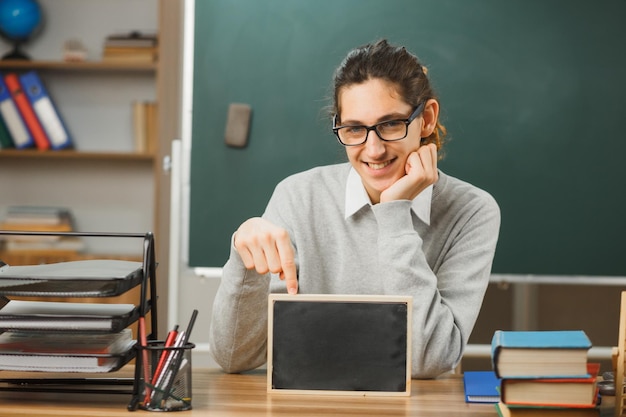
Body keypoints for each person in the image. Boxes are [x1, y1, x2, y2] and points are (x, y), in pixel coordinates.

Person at [209, 39, 500, 378]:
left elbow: (429, 360)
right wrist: (244, 261)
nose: (373, 149)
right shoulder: (298, 196)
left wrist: (394, 215)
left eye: (391, 124)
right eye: (354, 129)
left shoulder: (472, 211)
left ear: (427, 119)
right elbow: (235, 356)